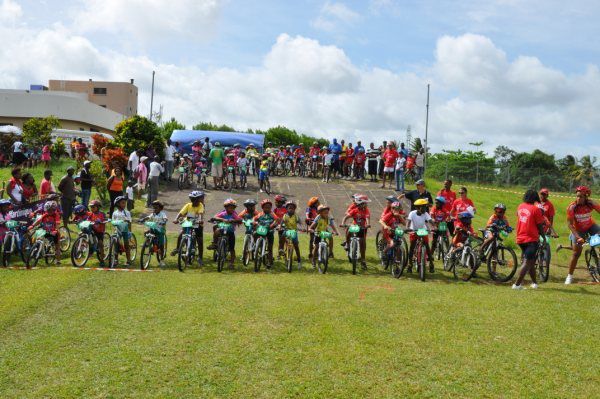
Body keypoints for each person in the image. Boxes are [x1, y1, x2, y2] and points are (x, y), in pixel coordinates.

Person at [564, 186, 600, 284]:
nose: (578, 198)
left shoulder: (591, 204)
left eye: (581, 197)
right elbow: (570, 225)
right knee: (576, 254)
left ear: (586, 197)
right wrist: (578, 237)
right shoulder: (572, 207)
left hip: (591, 226)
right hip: (578, 230)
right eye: (577, 196)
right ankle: (569, 276)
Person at [512, 190, 546, 290]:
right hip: (531, 239)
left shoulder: (520, 206)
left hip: (520, 238)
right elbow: (540, 226)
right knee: (527, 262)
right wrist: (543, 237)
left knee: (531, 261)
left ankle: (534, 283)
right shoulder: (536, 210)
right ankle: (517, 285)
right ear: (535, 198)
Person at [172, 191, 205, 265]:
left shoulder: (200, 205)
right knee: (181, 234)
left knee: (199, 239)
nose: (195, 201)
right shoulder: (188, 205)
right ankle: (177, 248)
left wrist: (200, 220)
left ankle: (200, 257)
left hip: (197, 223)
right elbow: (181, 213)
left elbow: (201, 213)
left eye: (197, 199)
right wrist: (176, 219)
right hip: (188, 222)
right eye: (193, 199)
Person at [209, 199, 243, 267]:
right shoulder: (223, 213)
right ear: (226, 207)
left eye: (233, 207)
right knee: (216, 231)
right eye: (230, 207)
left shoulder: (234, 214)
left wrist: (233, 220)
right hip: (222, 229)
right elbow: (215, 217)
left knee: (232, 248)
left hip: (230, 232)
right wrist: (222, 219)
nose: (231, 209)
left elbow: (239, 219)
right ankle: (214, 243)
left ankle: (232, 263)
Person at [341, 194, 371, 269]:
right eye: (365, 203)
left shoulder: (366, 210)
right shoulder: (354, 210)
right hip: (354, 226)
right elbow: (346, 217)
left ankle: (363, 260)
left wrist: (368, 224)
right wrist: (343, 223)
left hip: (362, 227)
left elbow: (367, 218)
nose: (366, 205)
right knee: (349, 231)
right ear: (361, 204)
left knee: (363, 243)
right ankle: (347, 244)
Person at [406, 198, 435, 272]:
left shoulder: (425, 214)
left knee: (427, 247)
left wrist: (434, 227)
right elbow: (408, 222)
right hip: (414, 231)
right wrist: (407, 228)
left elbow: (430, 221)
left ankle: (431, 264)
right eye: (423, 207)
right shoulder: (412, 213)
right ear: (417, 208)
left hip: (423, 231)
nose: (425, 208)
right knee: (412, 248)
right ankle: (410, 265)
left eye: (425, 206)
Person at [140, 200, 168, 267]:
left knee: (161, 245)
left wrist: (163, 221)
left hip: (160, 230)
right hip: (153, 229)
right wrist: (143, 219)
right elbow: (148, 217)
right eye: (153, 208)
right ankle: (147, 243)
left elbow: (165, 219)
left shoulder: (162, 214)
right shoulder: (153, 214)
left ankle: (161, 260)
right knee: (146, 232)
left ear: (160, 208)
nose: (154, 209)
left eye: (156, 208)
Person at [253, 199, 280, 265]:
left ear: (271, 208)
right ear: (262, 208)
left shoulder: (272, 214)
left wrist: (273, 225)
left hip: (269, 231)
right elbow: (254, 218)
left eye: (269, 207)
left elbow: (277, 220)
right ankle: (256, 245)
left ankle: (270, 261)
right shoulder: (260, 214)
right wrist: (254, 222)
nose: (267, 209)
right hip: (261, 230)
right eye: (266, 207)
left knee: (270, 247)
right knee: (254, 234)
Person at [280, 201, 303, 269]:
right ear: (287, 209)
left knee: (296, 246)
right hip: (287, 230)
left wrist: (302, 228)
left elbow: (300, 223)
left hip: (294, 231)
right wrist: (280, 227)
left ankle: (299, 261)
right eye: (289, 208)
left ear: (294, 209)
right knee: (282, 236)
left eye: (292, 208)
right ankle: (281, 249)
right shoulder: (285, 216)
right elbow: (281, 223)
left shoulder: (296, 216)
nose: (291, 209)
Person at [112, 196, 133, 266]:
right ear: (118, 204)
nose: (124, 205)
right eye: (122, 203)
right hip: (118, 230)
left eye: (125, 203)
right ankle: (116, 260)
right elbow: (113, 222)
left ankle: (128, 260)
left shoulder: (127, 212)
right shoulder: (114, 213)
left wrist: (130, 231)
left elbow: (129, 222)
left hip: (125, 230)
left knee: (126, 244)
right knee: (116, 244)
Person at [88, 199, 107, 266]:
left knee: (100, 244)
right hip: (93, 230)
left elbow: (105, 220)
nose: (92, 209)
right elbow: (88, 220)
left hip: (99, 231)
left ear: (98, 207)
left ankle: (102, 260)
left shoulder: (102, 214)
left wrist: (102, 221)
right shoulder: (91, 214)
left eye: (93, 207)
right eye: (91, 207)